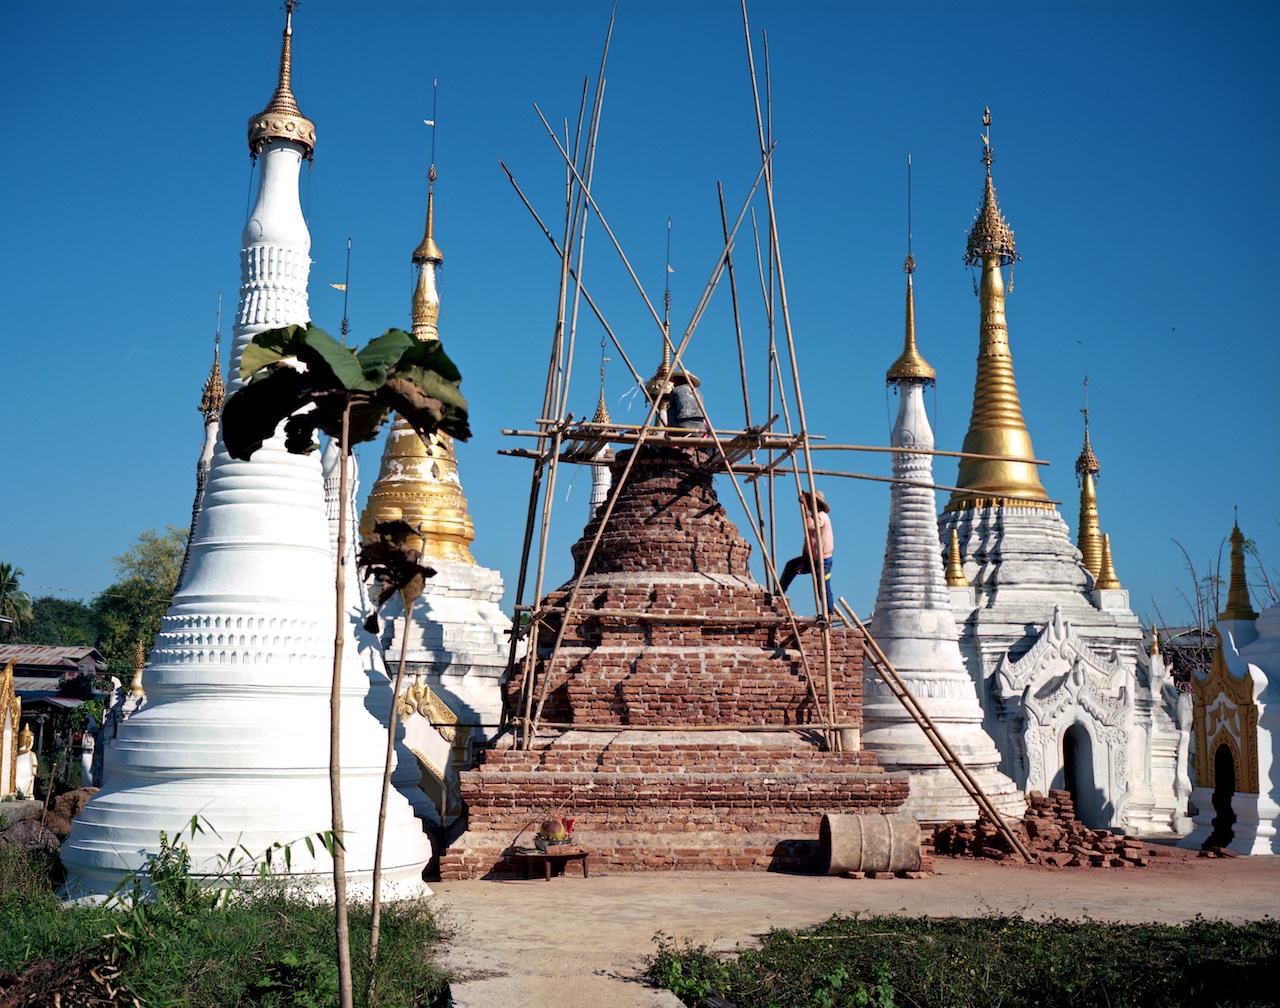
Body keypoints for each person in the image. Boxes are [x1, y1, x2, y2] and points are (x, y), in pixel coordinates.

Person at [779, 489, 835, 613]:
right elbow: (808, 543)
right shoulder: (814, 517)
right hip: (812, 559)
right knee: (791, 566)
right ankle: (778, 594)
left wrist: (804, 507)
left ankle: (829, 614)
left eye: (810, 501)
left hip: (823, 561)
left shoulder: (822, 516)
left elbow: (811, 525)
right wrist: (804, 561)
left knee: (823, 589)